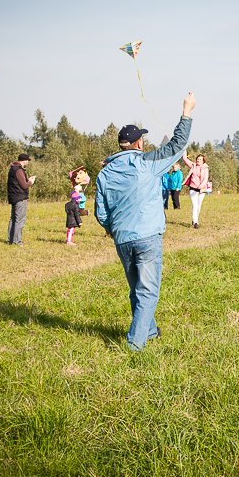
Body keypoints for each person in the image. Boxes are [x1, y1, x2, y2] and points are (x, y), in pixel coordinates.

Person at [95, 92, 195, 351]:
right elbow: (177, 146)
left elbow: (101, 213)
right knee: (147, 291)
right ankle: (135, 345)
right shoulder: (146, 163)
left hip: (123, 239)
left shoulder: (104, 173)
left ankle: (149, 330)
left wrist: (113, 230)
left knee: (137, 289)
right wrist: (186, 112)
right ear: (139, 144)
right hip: (148, 236)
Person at [7, 154, 36, 245]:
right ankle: (17, 241)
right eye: (28, 160)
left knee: (13, 219)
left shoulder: (12, 168)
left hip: (14, 197)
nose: (28, 162)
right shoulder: (19, 170)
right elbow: (24, 185)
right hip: (20, 198)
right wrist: (31, 182)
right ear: (24, 160)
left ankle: (11, 240)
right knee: (20, 220)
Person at [182, 151, 209, 229]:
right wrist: (184, 149)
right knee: (195, 205)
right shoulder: (193, 165)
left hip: (201, 189)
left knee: (199, 206)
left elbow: (205, 178)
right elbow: (185, 159)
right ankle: (195, 222)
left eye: (200, 159)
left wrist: (201, 186)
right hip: (193, 188)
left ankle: (195, 220)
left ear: (203, 161)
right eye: (197, 159)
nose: (198, 160)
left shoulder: (205, 168)